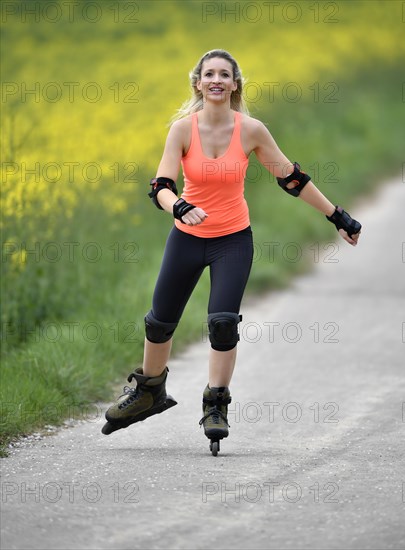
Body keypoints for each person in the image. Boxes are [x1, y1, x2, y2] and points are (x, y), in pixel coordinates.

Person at [101, 49, 361, 450]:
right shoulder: (182, 130)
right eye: (209, 75)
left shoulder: (252, 130)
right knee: (160, 322)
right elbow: (161, 187)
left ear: (235, 84)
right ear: (198, 83)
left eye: (225, 74)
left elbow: (291, 178)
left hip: (232, 240)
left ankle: (216, 403)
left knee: (223, 323)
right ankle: (149, 391)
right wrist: (180, 206)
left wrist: (337, 216)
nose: (217, 80)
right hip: (186, 238)